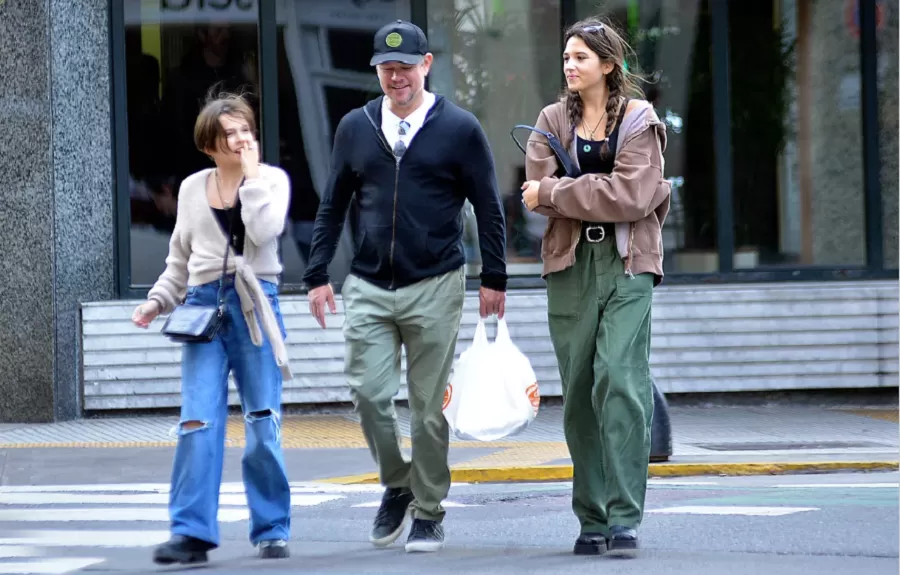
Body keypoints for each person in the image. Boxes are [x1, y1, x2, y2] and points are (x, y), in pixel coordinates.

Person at [302, 19, 508, 554]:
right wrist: (317, 273)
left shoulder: (459, 128)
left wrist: (494, 276)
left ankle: (430, 510)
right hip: (367, 284)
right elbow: (333, 204)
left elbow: (488, 206)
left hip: (436, 282)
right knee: (370, 397)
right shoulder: (355, 126)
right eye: (385, 68)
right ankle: (398, 484)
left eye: (405, 67)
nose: (395, 77)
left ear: (427, 65)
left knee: (425, 410)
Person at [520, 17, 671, 557]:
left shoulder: (639, 119)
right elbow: (531, 193)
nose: (569, 65)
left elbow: (632, 197)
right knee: (580, 394)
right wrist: (569, 192)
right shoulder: (550, 119)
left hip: (628, 263)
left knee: (620, 381)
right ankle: (592, 519)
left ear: (608, 65)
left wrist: (558, 191)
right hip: (569, 265)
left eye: (581, 57)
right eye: (566, 56)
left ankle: (626, 518)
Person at [131, 92, 293, 565]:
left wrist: (253, 178)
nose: (241, 139)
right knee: (196, 421)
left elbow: (264, 233)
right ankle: (191, 533)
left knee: (263, 419)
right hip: (203, 309)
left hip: (254, 307)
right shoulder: (190, 188)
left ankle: (271, 529)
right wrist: (157, 302)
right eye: (230, 133)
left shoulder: (272, 181)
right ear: (209, 144)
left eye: (246, 129)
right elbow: (179, 260)